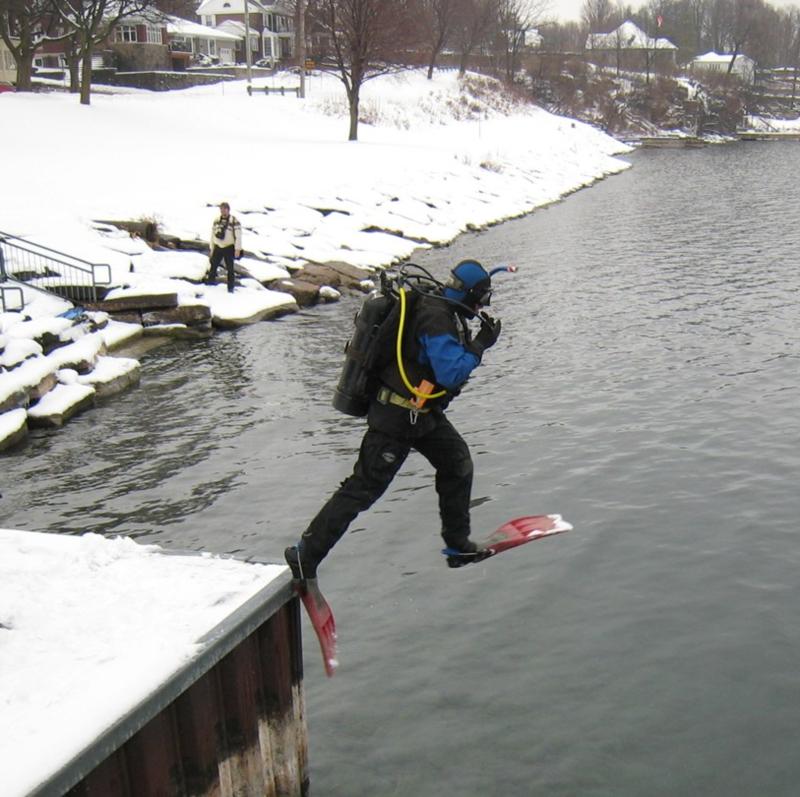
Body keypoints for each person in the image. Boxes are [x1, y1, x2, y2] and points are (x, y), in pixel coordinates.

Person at [285, 259, 503, 582]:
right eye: (482, 298)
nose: (482, 306)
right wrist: (480, 345)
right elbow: (450, 371)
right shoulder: (435, 317)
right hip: (396, 417)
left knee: (457, 463)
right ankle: (305, 555)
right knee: (364, 487)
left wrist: (473, 343)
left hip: (422, 413)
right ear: (470, 294)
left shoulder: (443, 311)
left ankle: (457, 546)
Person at [207, 202, 242, 293]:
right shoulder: (216, 220)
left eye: (224, 209)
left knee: (230, 269)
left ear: (228, 209)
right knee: (213, 266)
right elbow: (212, 235)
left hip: (229, 247)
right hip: (218, 246)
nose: (222, 211)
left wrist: (237, 249)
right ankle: (210, 284)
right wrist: (212, 247)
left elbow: (238, 236)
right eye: (221, 209)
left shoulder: (234, 221)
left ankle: (230, 288)